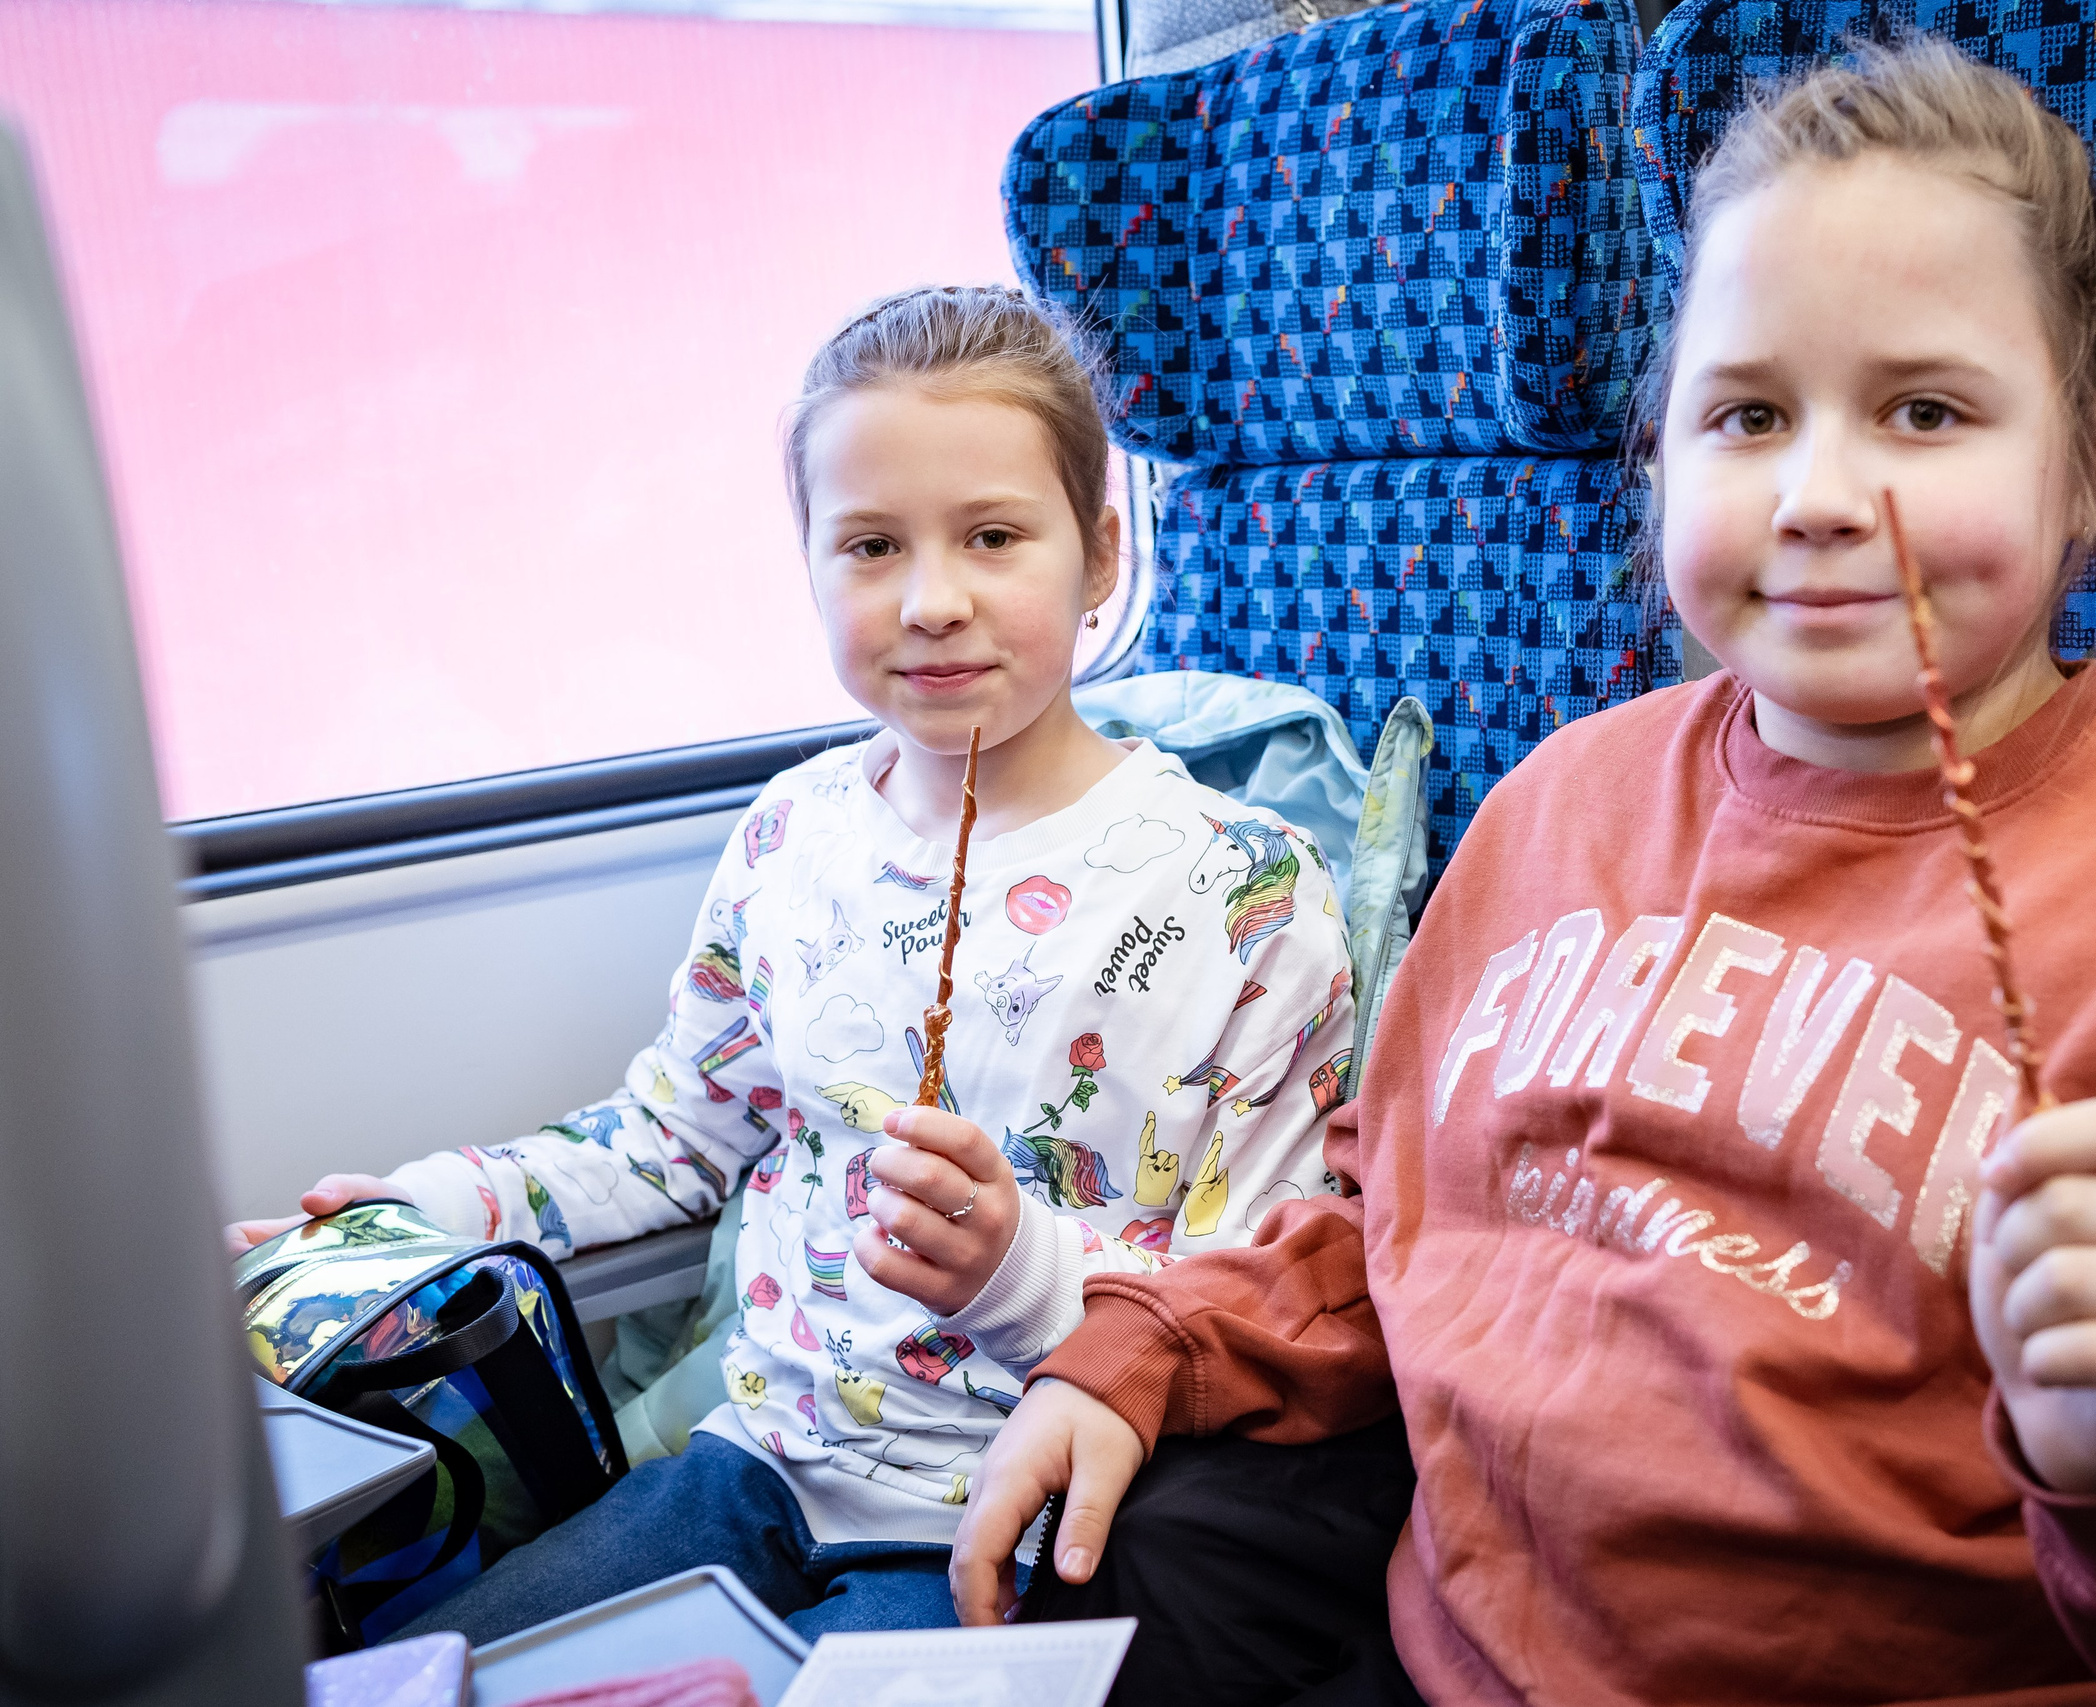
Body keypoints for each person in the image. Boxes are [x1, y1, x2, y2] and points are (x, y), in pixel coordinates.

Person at [947, 41, 2096, 1707]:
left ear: (2088, 460)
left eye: (1924, 413)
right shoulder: (1554, 813)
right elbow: (1397, 1225)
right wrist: (1151, 1348)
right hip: (1451, 1631)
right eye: (1748, 416)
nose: (1817, 498)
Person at [223, 286, 1357, 1643]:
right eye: (872, 547)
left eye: (993, 537)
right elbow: (675, 1137)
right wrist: (419, 1214)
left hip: (1008, 1506)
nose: (933, 602)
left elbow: (1250, 1291)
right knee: (424, 1671)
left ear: (1101, 554)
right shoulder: (791, 836)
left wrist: (1019, 1269)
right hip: (751, 1466)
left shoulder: (1247, 887)